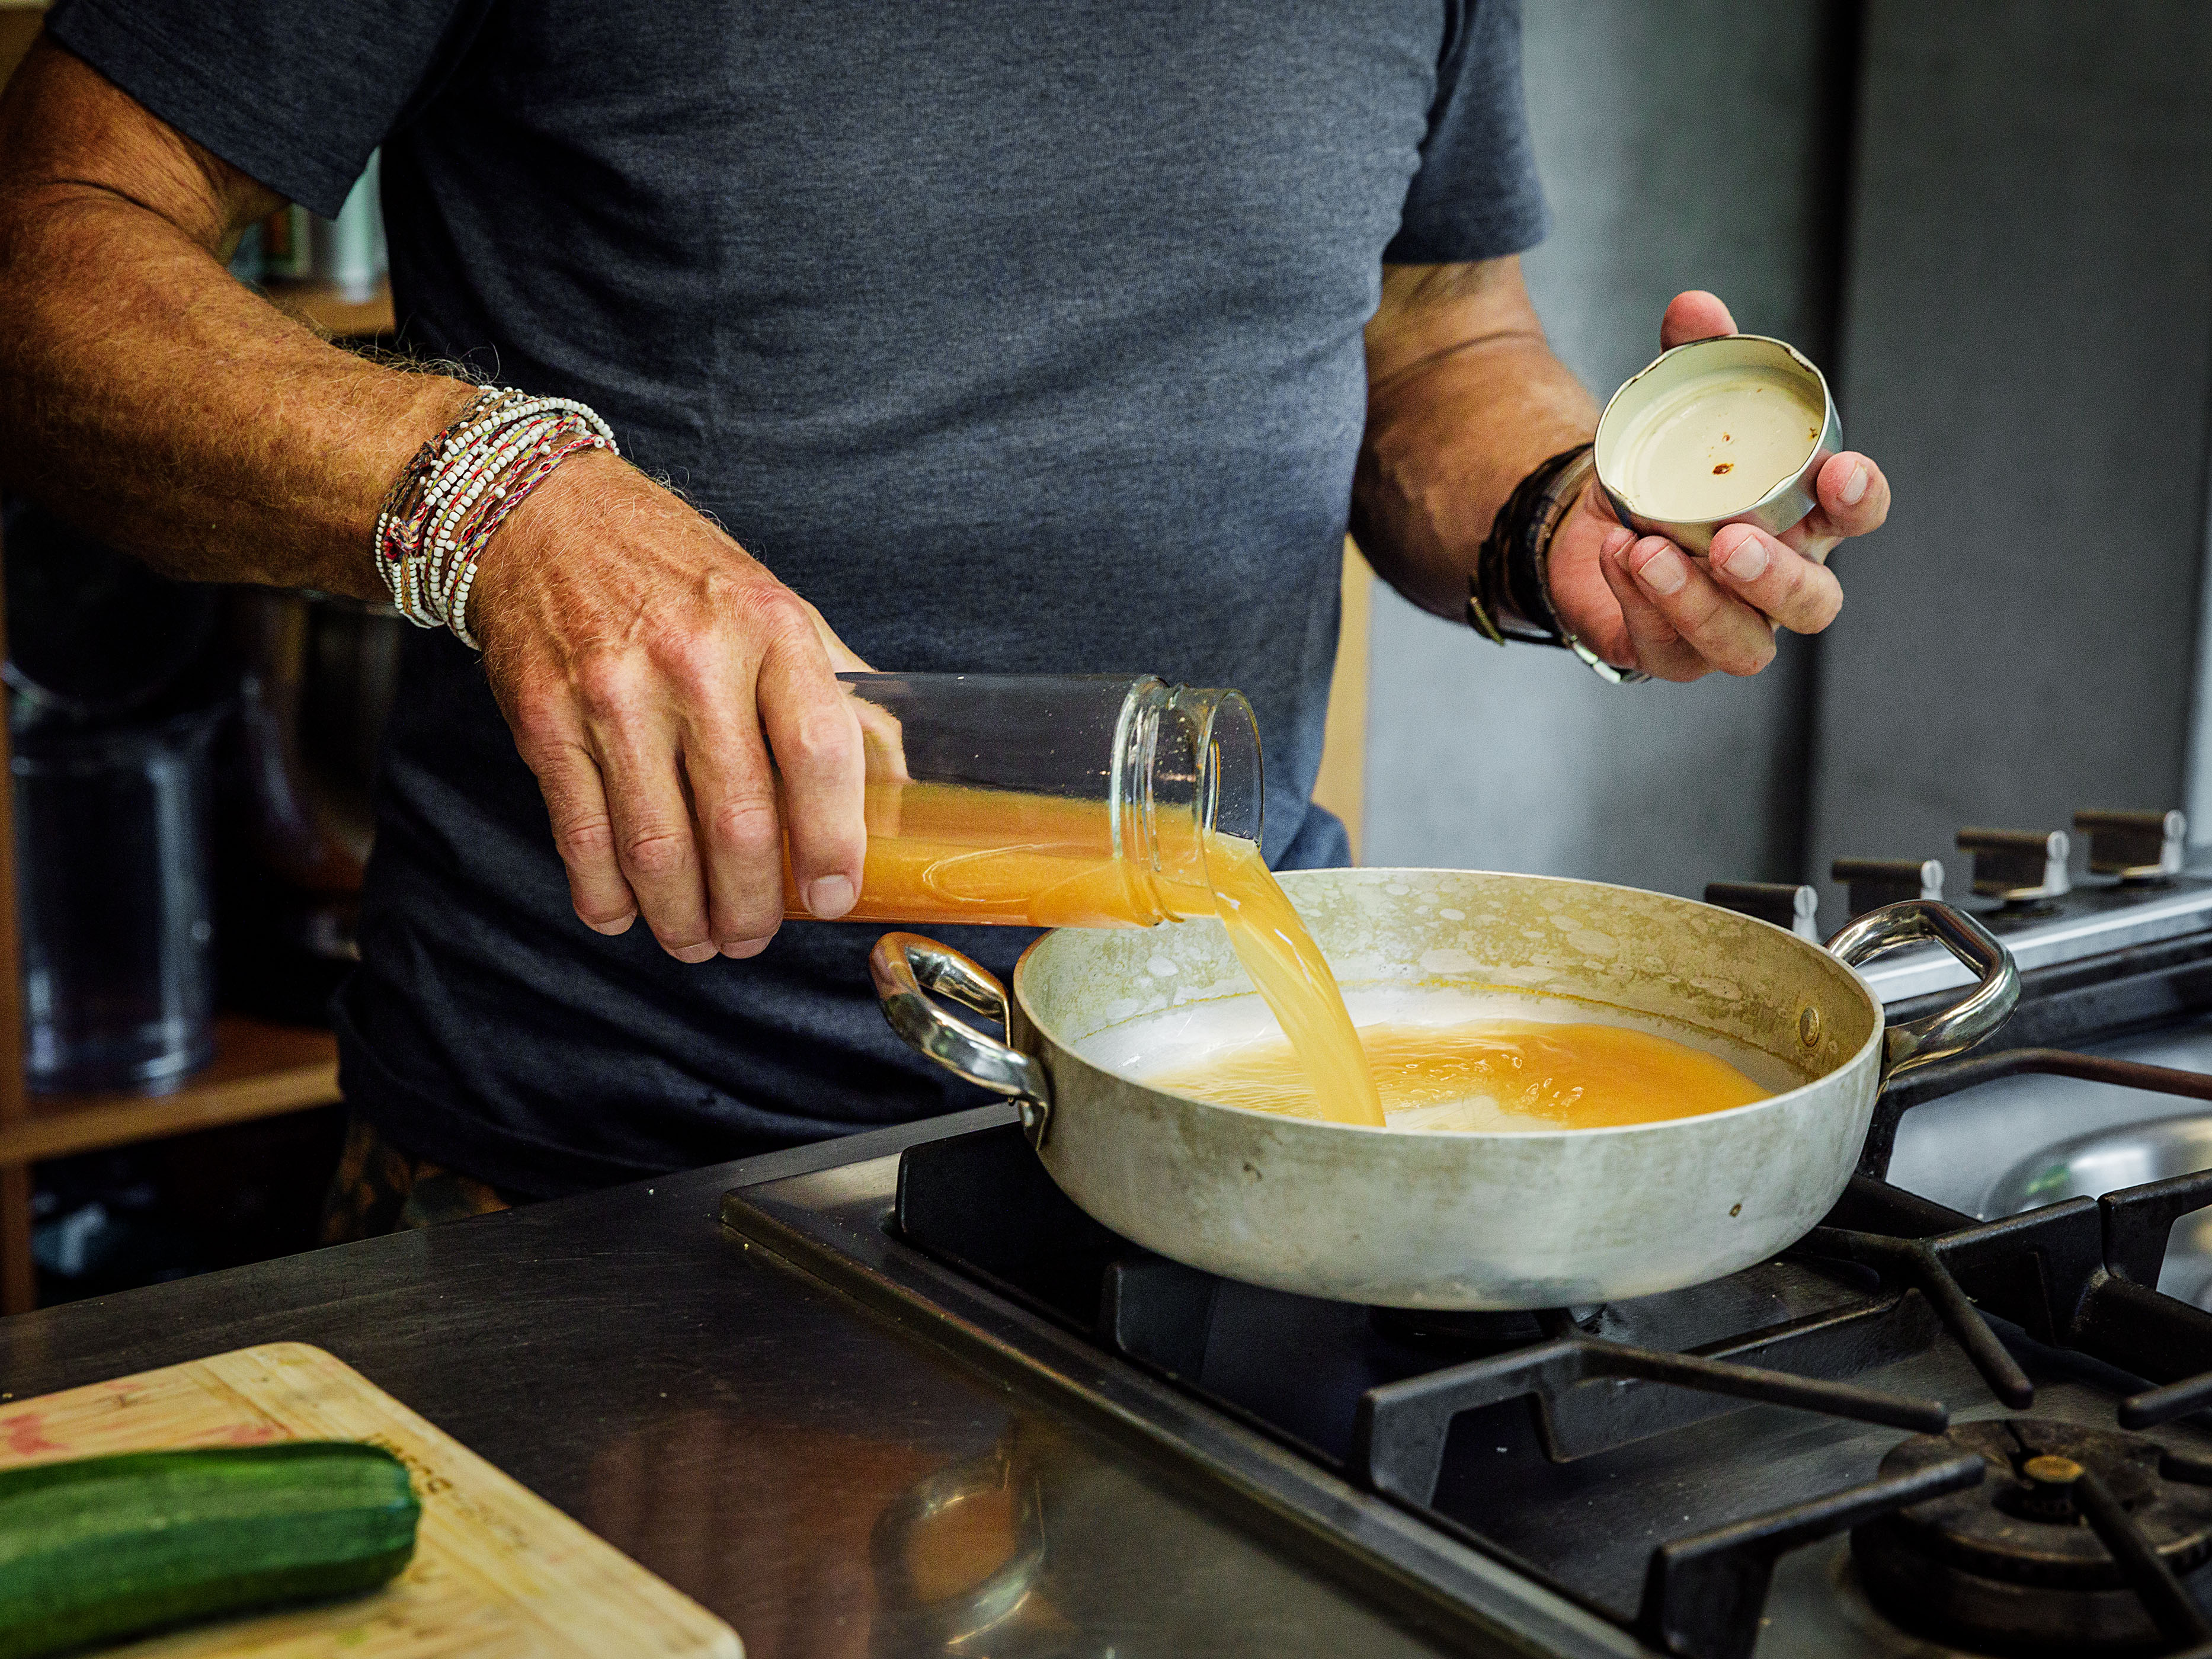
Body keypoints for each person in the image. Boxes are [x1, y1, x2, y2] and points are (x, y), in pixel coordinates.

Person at [0, 2, 1887, 1228]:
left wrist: (1564, 517)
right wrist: (503, 500)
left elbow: (1437, 327)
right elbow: (48, 261)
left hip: (1201, 1128)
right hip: (599, 1173)